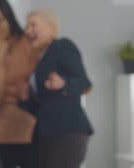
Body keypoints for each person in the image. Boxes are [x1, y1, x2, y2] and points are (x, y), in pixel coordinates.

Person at [25, 10, 93, 168]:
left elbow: (84, 82)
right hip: (45, 134)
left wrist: (64, 84)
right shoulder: (38, 58)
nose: (28, 31)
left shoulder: (62, 46)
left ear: (51, 27)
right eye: (26, 26)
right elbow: (43, 103)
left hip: (67, 133)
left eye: (33, 25)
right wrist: (24, 99)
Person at [0, 0, 38, 168]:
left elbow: (33, 85)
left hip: (27, 126)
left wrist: (7, 90)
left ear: (9, 17)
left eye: (0, 20)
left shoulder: (27, 43)